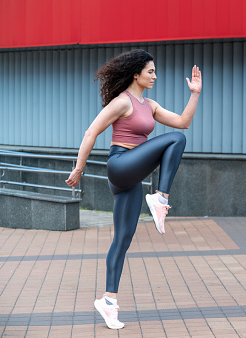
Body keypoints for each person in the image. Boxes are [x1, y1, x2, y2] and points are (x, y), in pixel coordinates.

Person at [65, 49, 201, 329]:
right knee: (174, 140)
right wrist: (79, 169)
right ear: (136, 73)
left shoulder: (149, 104)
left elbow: (183, 122)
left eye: (155, 71)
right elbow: (91, 132)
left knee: (122, 240)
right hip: (120, 164)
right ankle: (160, 198)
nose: (155, 76)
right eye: (150, 71)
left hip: (132, 177)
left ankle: (108, 302)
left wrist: (195, 94)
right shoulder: (121, 102)